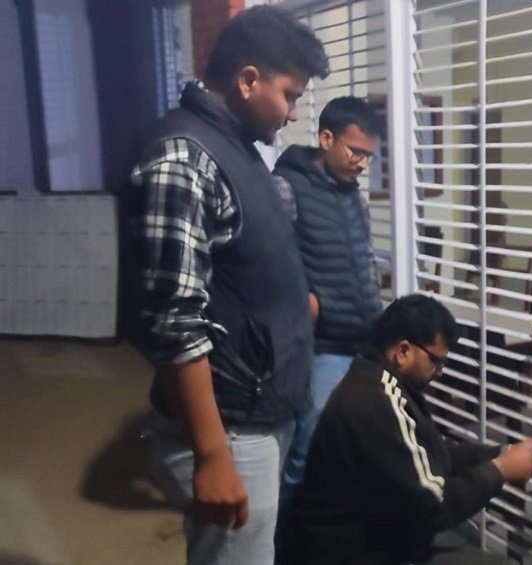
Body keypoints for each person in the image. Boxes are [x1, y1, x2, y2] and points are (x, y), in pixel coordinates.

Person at [123, 6, 329, 565]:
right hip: (233, 428)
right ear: (248, 80)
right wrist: (213, 455)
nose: (293, 112)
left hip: (261, 408)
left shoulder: (237, 148)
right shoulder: (184, 157)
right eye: (289, 95)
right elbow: (175, 321)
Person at [282, 294, 532, 564]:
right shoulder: (375, 401)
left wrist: (504, 453)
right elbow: (434, 506)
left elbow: (435, 453)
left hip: (377, 536)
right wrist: (500, 470)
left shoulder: (377, 378)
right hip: (349, 553)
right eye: (436, 361)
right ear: (403, 351)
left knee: (467, 540)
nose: (440, 372)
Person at [270, 96, 384, 548]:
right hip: (322, 346)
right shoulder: (286, 187)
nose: (362, 163)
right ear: (326, 138)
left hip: (365, 340)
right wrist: (304, 302)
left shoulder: (352, 195)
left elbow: (365, 261)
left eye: (369, 155)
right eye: (355, 151)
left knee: (361, 445)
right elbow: (272, 262)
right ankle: (279, 546)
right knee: (305, 450)